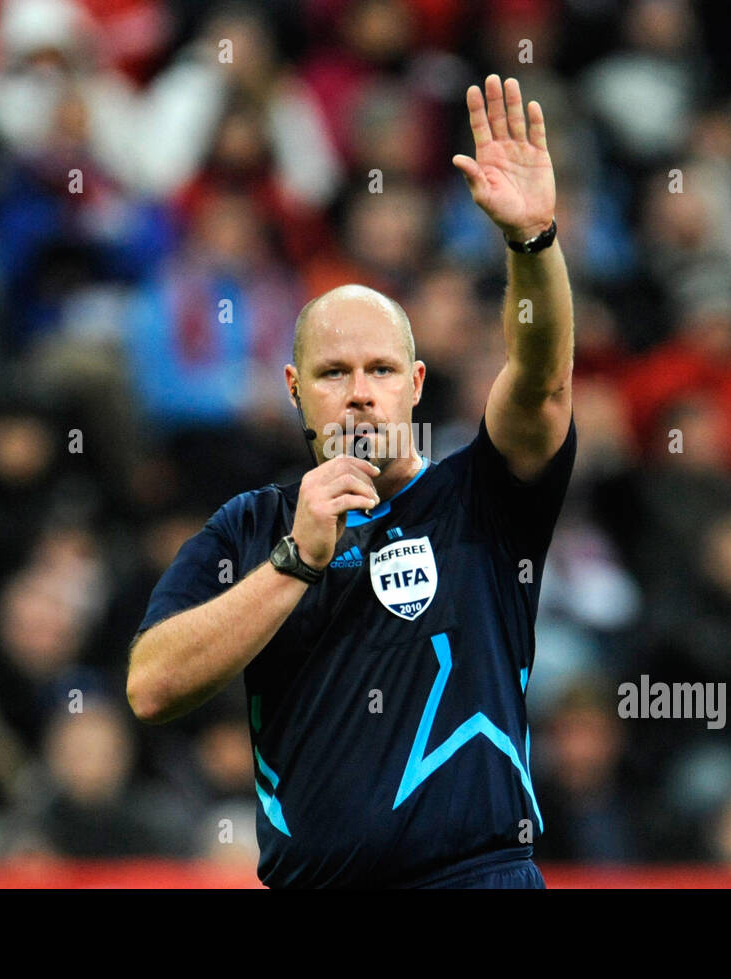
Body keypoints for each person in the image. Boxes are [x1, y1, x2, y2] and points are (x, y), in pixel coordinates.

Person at [127, 75, 576, 888]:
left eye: (381, 369)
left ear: (416, 381)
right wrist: (295, 559)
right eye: (335, 371)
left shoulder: (484, 498)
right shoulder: (251, 527)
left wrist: (533, 242)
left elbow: (542, 382)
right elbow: (152, 685)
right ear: (294, 388)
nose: (362, 390)